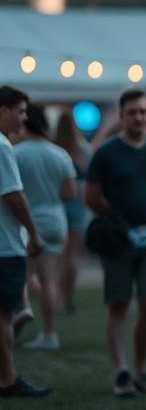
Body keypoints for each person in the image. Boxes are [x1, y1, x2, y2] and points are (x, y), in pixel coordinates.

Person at [85, 89, 146, 397]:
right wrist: (116, 220)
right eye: (132, 112)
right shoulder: (106, 152)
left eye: (143, 112)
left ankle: (140, 370)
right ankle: (121, 371)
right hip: (118, 241)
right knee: (118, 304)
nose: (138, 117)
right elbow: (91, 196)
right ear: (121, 116)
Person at [0, 86, 50, 399]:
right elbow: (13, 196)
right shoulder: (2, 146)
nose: (24, 117)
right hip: (4, 246)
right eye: (19, 110)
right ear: (2, 110)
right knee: (4, 316)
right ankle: (7, 380)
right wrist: (33, 232)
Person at [14, 104, 76, 350]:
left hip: (26, 222)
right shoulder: (60, 154)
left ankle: (23, 309)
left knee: (24, 275)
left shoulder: (16, 153)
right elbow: (70, 194)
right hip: (55, 220)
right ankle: (50, 333)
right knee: (49, 278)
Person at [53, 110, 91, 315]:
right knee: (72, 256)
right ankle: (68, 298)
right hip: (78, 206)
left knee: (58, 256)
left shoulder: (55, 147)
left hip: (59, 203)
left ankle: (56, 297)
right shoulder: (81, 149)